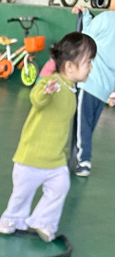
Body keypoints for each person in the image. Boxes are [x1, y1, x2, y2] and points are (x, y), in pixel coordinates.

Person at [0, 32, 96, 243]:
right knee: (22, 194)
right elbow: (36, 98)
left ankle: (42, 221)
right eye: (88, 62)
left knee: (61, 187)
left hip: (55, 160)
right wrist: (46, 91)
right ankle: (11, 219)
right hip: (31, 157)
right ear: (69, 67)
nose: (91, 66)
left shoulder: (71, 90)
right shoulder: (53, 82)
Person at [71, 3, 115, 176]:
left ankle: (83, 162)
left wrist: (85, 15)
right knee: (88, 126)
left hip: (90, 82)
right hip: (106, 88)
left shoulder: (106, 18)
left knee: (82, 124)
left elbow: (86, 35)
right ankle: (81, 157)